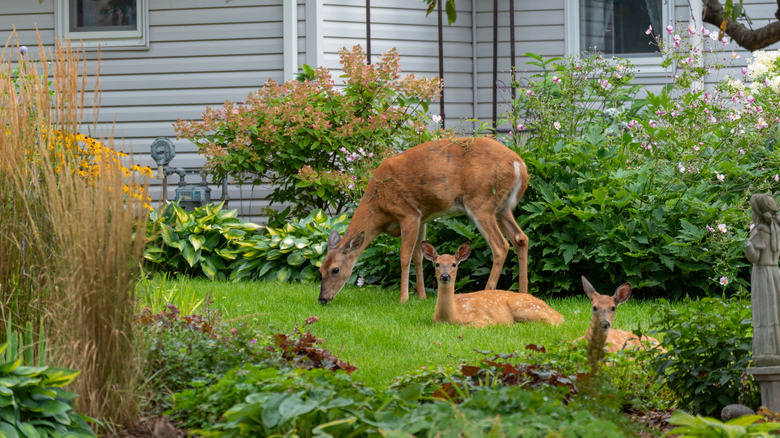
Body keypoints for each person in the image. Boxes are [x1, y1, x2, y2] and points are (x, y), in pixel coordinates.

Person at [746, 193, 780, 367]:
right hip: (774, 272)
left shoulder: (760, 231)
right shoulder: (775, 228)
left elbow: (754, 256)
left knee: (765, 311)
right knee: (775, 310)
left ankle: (766, 351)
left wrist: (747, 247)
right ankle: (776, 347)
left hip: (762, 274)